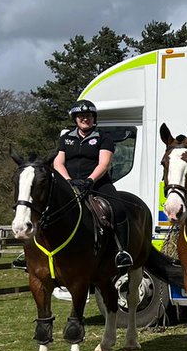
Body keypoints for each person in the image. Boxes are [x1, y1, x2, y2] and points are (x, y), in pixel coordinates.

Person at [55, 100, 134, 269]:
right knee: (44, 206)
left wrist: (90, 180)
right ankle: (29, 252)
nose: (86, 119)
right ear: (75, 118)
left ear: (94, 118)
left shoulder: (104, 138)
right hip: (70, 183)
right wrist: (68, 181)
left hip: (97, 183)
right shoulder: (66, 138)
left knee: (118, 209)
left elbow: (103, 164)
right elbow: (58, 163)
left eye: (89, 116)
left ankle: (122, 252)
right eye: (82, 116)